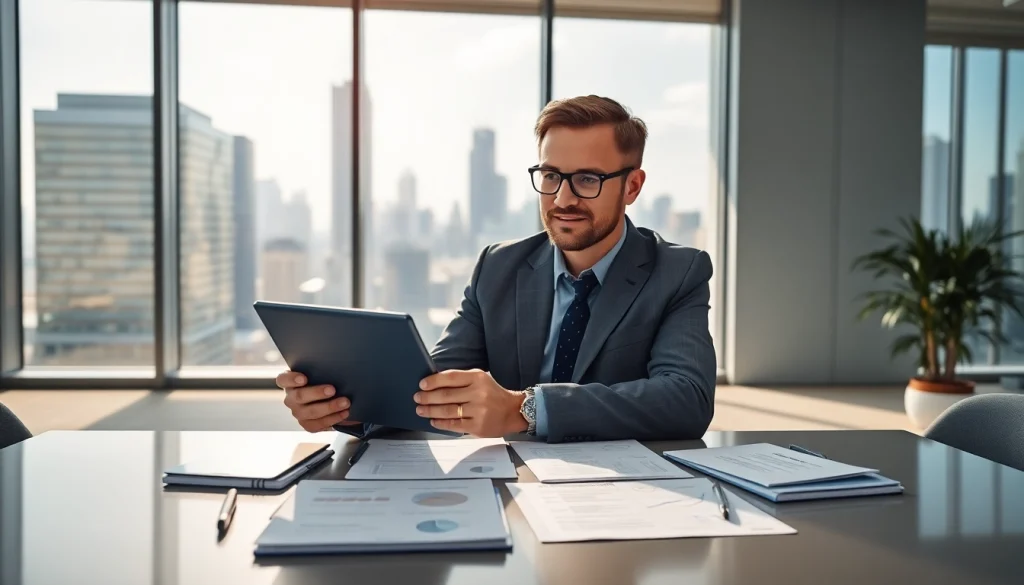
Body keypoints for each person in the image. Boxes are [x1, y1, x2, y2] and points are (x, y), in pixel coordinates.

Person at [277, 95, 716, 442]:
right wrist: (352, 409)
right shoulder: (499, 266)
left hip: (628, 498)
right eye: (550, 176)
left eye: (587, 179)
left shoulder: (678, 271)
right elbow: (433, 385)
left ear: (632, 186)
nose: (563, 199)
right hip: (512, 493)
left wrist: (524, 408)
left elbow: (687, 399)